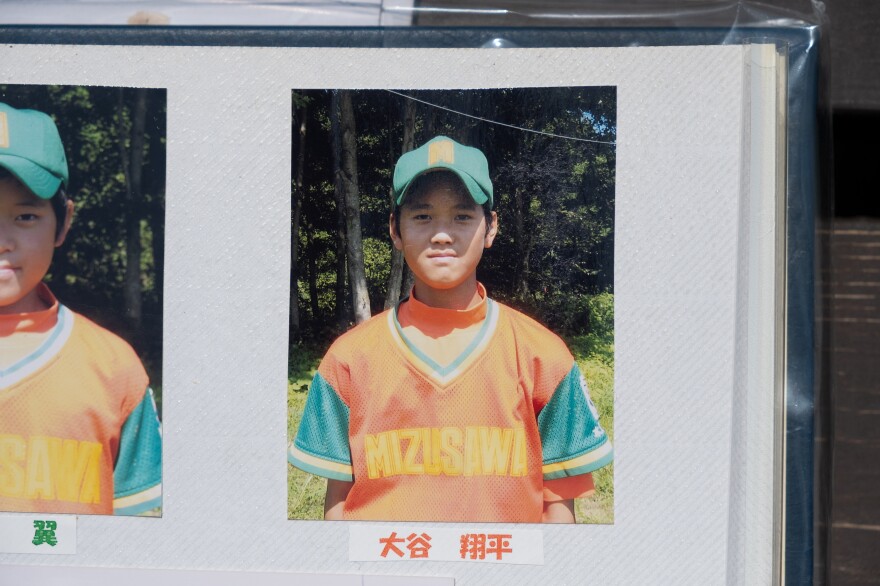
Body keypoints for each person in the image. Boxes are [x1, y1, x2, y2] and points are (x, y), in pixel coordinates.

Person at [289, 135, 612, 523]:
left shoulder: (543, 356)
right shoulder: (349, 359)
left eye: (462, 216)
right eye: (422, 216)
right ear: (395, 229)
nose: (442, 234)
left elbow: (558, 509)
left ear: (491, 227)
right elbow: (338, 508)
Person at [0, 102, 162, 516]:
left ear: (64, 221)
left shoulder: (112, 368)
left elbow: (138, 535)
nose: (3, 240)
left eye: (25, 215)